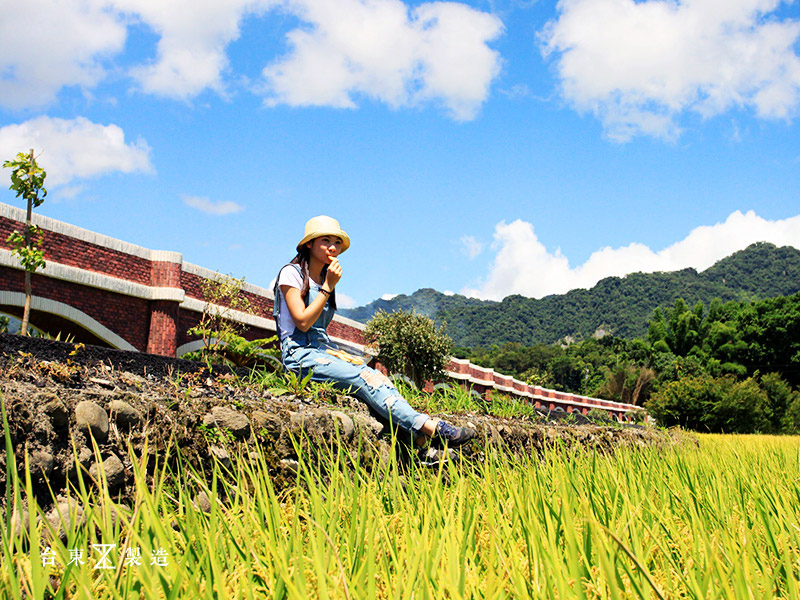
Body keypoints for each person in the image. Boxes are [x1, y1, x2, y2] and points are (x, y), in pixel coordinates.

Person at [273, 215, 475, 447]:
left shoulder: (323, 276)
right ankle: (432, 428)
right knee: (361, 378)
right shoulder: (293, 273)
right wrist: (328, 287)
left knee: (376, 376)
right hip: (299, 354)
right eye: (325, 240)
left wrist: (327, 284)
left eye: (337, 242)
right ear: (309, 244)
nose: (333, 247)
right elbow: (303, 322)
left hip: (322, 350)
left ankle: (418, 442)